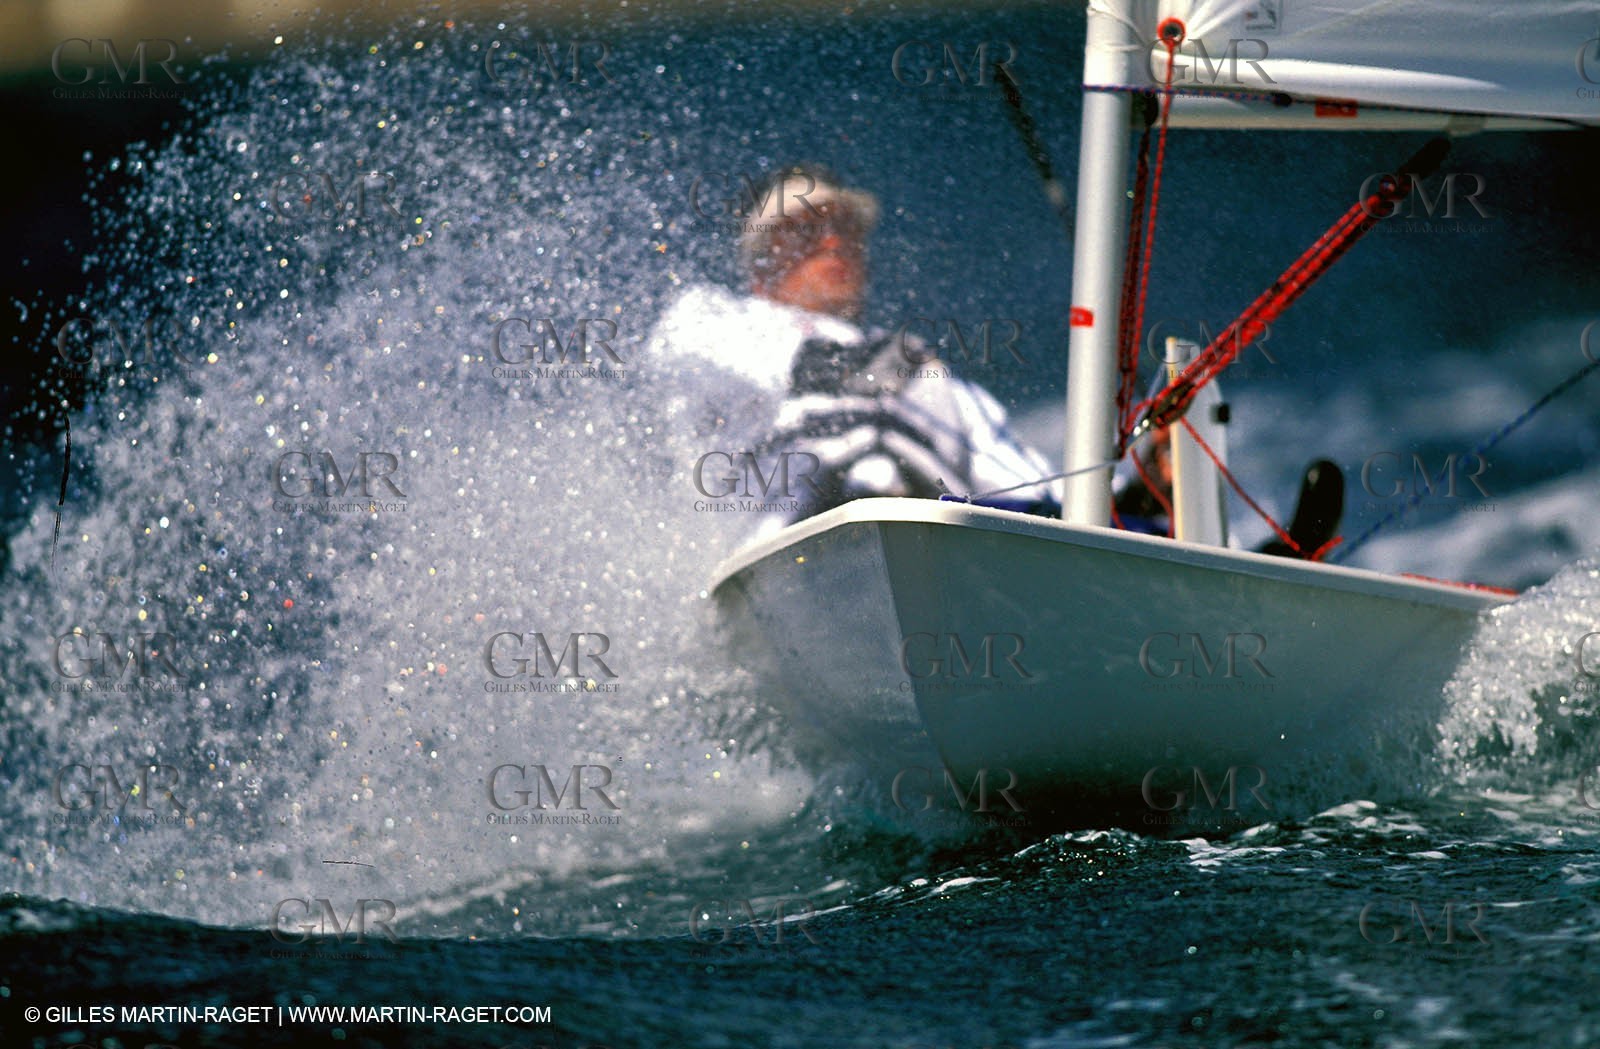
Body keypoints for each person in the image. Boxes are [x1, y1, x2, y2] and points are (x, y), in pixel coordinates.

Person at [648, 163, 1060, 527]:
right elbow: (681, 353)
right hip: (783, 544)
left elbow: (1019, 480)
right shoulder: (712, 322)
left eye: (845, 228)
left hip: (932, 544)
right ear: (762, 260)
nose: (833, 242)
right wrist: (839, 365)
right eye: (806, 229)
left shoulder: (919, 367)